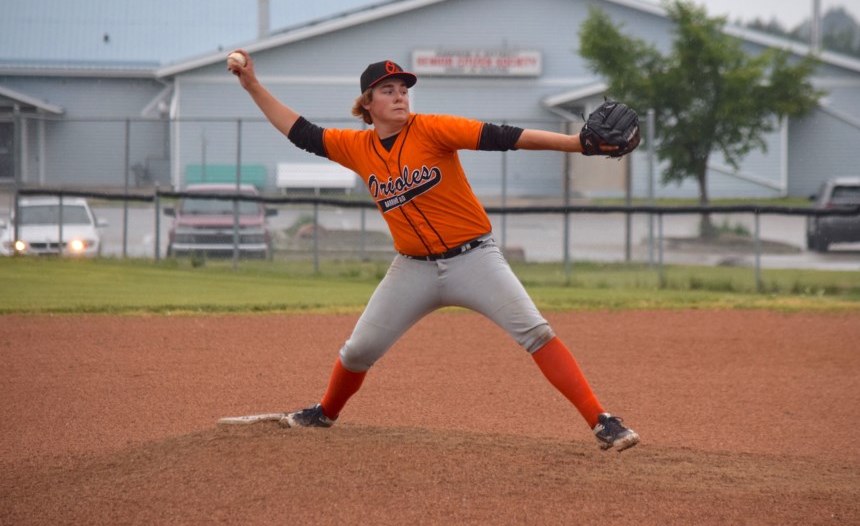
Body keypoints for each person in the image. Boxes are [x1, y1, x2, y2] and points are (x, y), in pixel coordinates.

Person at [229, 52, 640, 452]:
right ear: (366, 105)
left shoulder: (433, 129)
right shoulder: (356, 147)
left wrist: (577, 144)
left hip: (474, 259)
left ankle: (601, 420)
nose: (400, 96)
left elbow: (505, 137)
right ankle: (325, 412)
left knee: (535, 332)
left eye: (403, 89)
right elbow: (301, 132)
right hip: (412, 270)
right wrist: (252, 86)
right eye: (387, 90)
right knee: (357, 351)